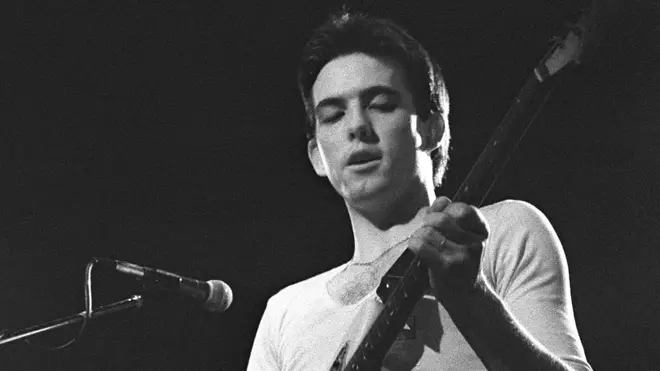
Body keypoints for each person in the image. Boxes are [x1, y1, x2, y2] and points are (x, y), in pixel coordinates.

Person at [247, 11, 592, 371]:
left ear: (431, 128)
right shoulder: (285, 312)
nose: (357, 126)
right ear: (317, 156)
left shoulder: (504, 233)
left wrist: (472, 296)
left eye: (381, 105)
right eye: (333, 115)